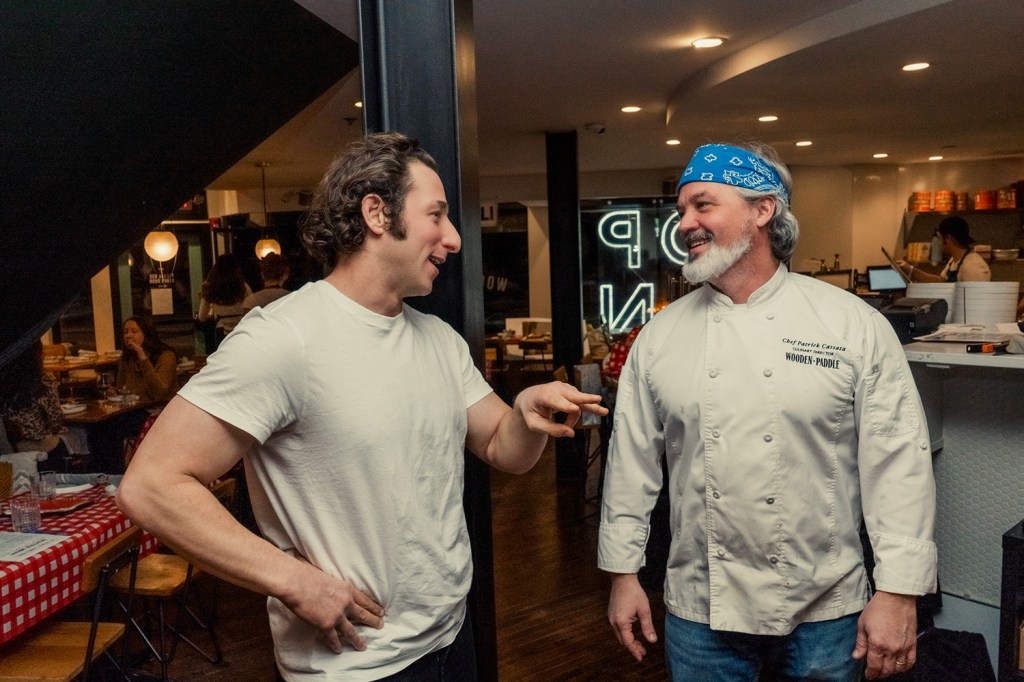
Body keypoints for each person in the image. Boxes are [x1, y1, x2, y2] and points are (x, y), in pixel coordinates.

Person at [116, 131, 606, 681]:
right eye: (436, 215)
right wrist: (293, 581)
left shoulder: (439, 340)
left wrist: (525, 413)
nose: (453, 238)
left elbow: (502, 448)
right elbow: (152, 485)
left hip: (451, 637)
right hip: (357, 664)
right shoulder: (285, 338)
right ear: (377, 213)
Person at [599, 142, 937, 681]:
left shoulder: (850, 324)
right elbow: (629, 466)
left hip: (826, 608)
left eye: (703, 205)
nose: (684, 224)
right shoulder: (659, 337)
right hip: (700, 608)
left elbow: (898, 462)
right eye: (682, 210)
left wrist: (898, 591)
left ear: (763, 210)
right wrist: (622, 574)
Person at [0, 340, 68, 465]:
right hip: (41, 449)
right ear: (37, 355)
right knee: (70, 440)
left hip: (11, 451)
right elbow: (55, 420)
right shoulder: (44, 380)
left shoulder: (3, 382)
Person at [898, 215, 990, 283]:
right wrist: (911, 270)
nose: (938, 243)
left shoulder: (973, 266)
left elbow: (976, 299)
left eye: (939, 238)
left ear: (948, 239)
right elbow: (941, 281)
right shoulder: (954, 260)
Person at [115, 316, 179, 403]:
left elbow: (159, 393)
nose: (128, 336)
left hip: (163, 406)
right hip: (137, 407)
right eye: (126, 332)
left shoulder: (166, 355)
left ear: (146, 334)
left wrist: (143, 358)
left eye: (134, 331)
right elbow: (121, 388)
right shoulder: (129, 357)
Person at [197, 253, 253, 345]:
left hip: (221, 330)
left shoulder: (211, 286)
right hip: (241, 328)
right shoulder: (242, 286)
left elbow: (202, 317)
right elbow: (252, 307)